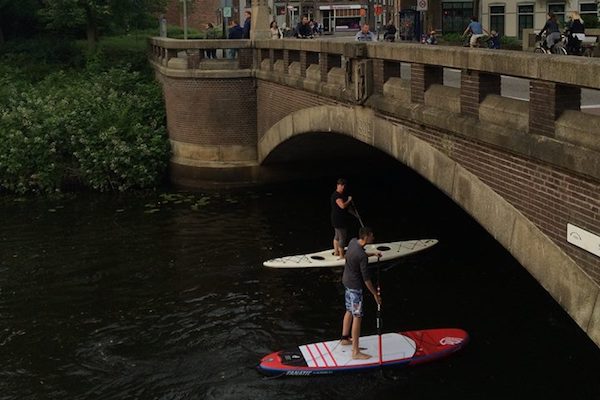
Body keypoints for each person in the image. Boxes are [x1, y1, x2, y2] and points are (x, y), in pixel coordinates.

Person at [340, 226, 382, 360]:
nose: (373, 238)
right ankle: (355, 352)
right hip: (355, 288)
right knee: (357, 316)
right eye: (372, 235)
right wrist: (375, 294)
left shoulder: (353, 242)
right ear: (366, 236)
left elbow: (353, 256)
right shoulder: (362, 256)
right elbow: (367, 280)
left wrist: (373, 254)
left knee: (348, 310)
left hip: (346, 282)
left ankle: (345, 338)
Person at [331, 178, 353, 259]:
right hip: (339, 220)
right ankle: (341, 255)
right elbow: (342, 206)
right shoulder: (337, 195)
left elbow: (346, 208)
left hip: (337, 219)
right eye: (341, 185)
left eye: (344, 185)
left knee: (337, 236)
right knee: (342, 237)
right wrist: (349, 200)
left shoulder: (341, 194)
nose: (343, 187)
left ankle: (336, 252)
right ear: (338, 185)